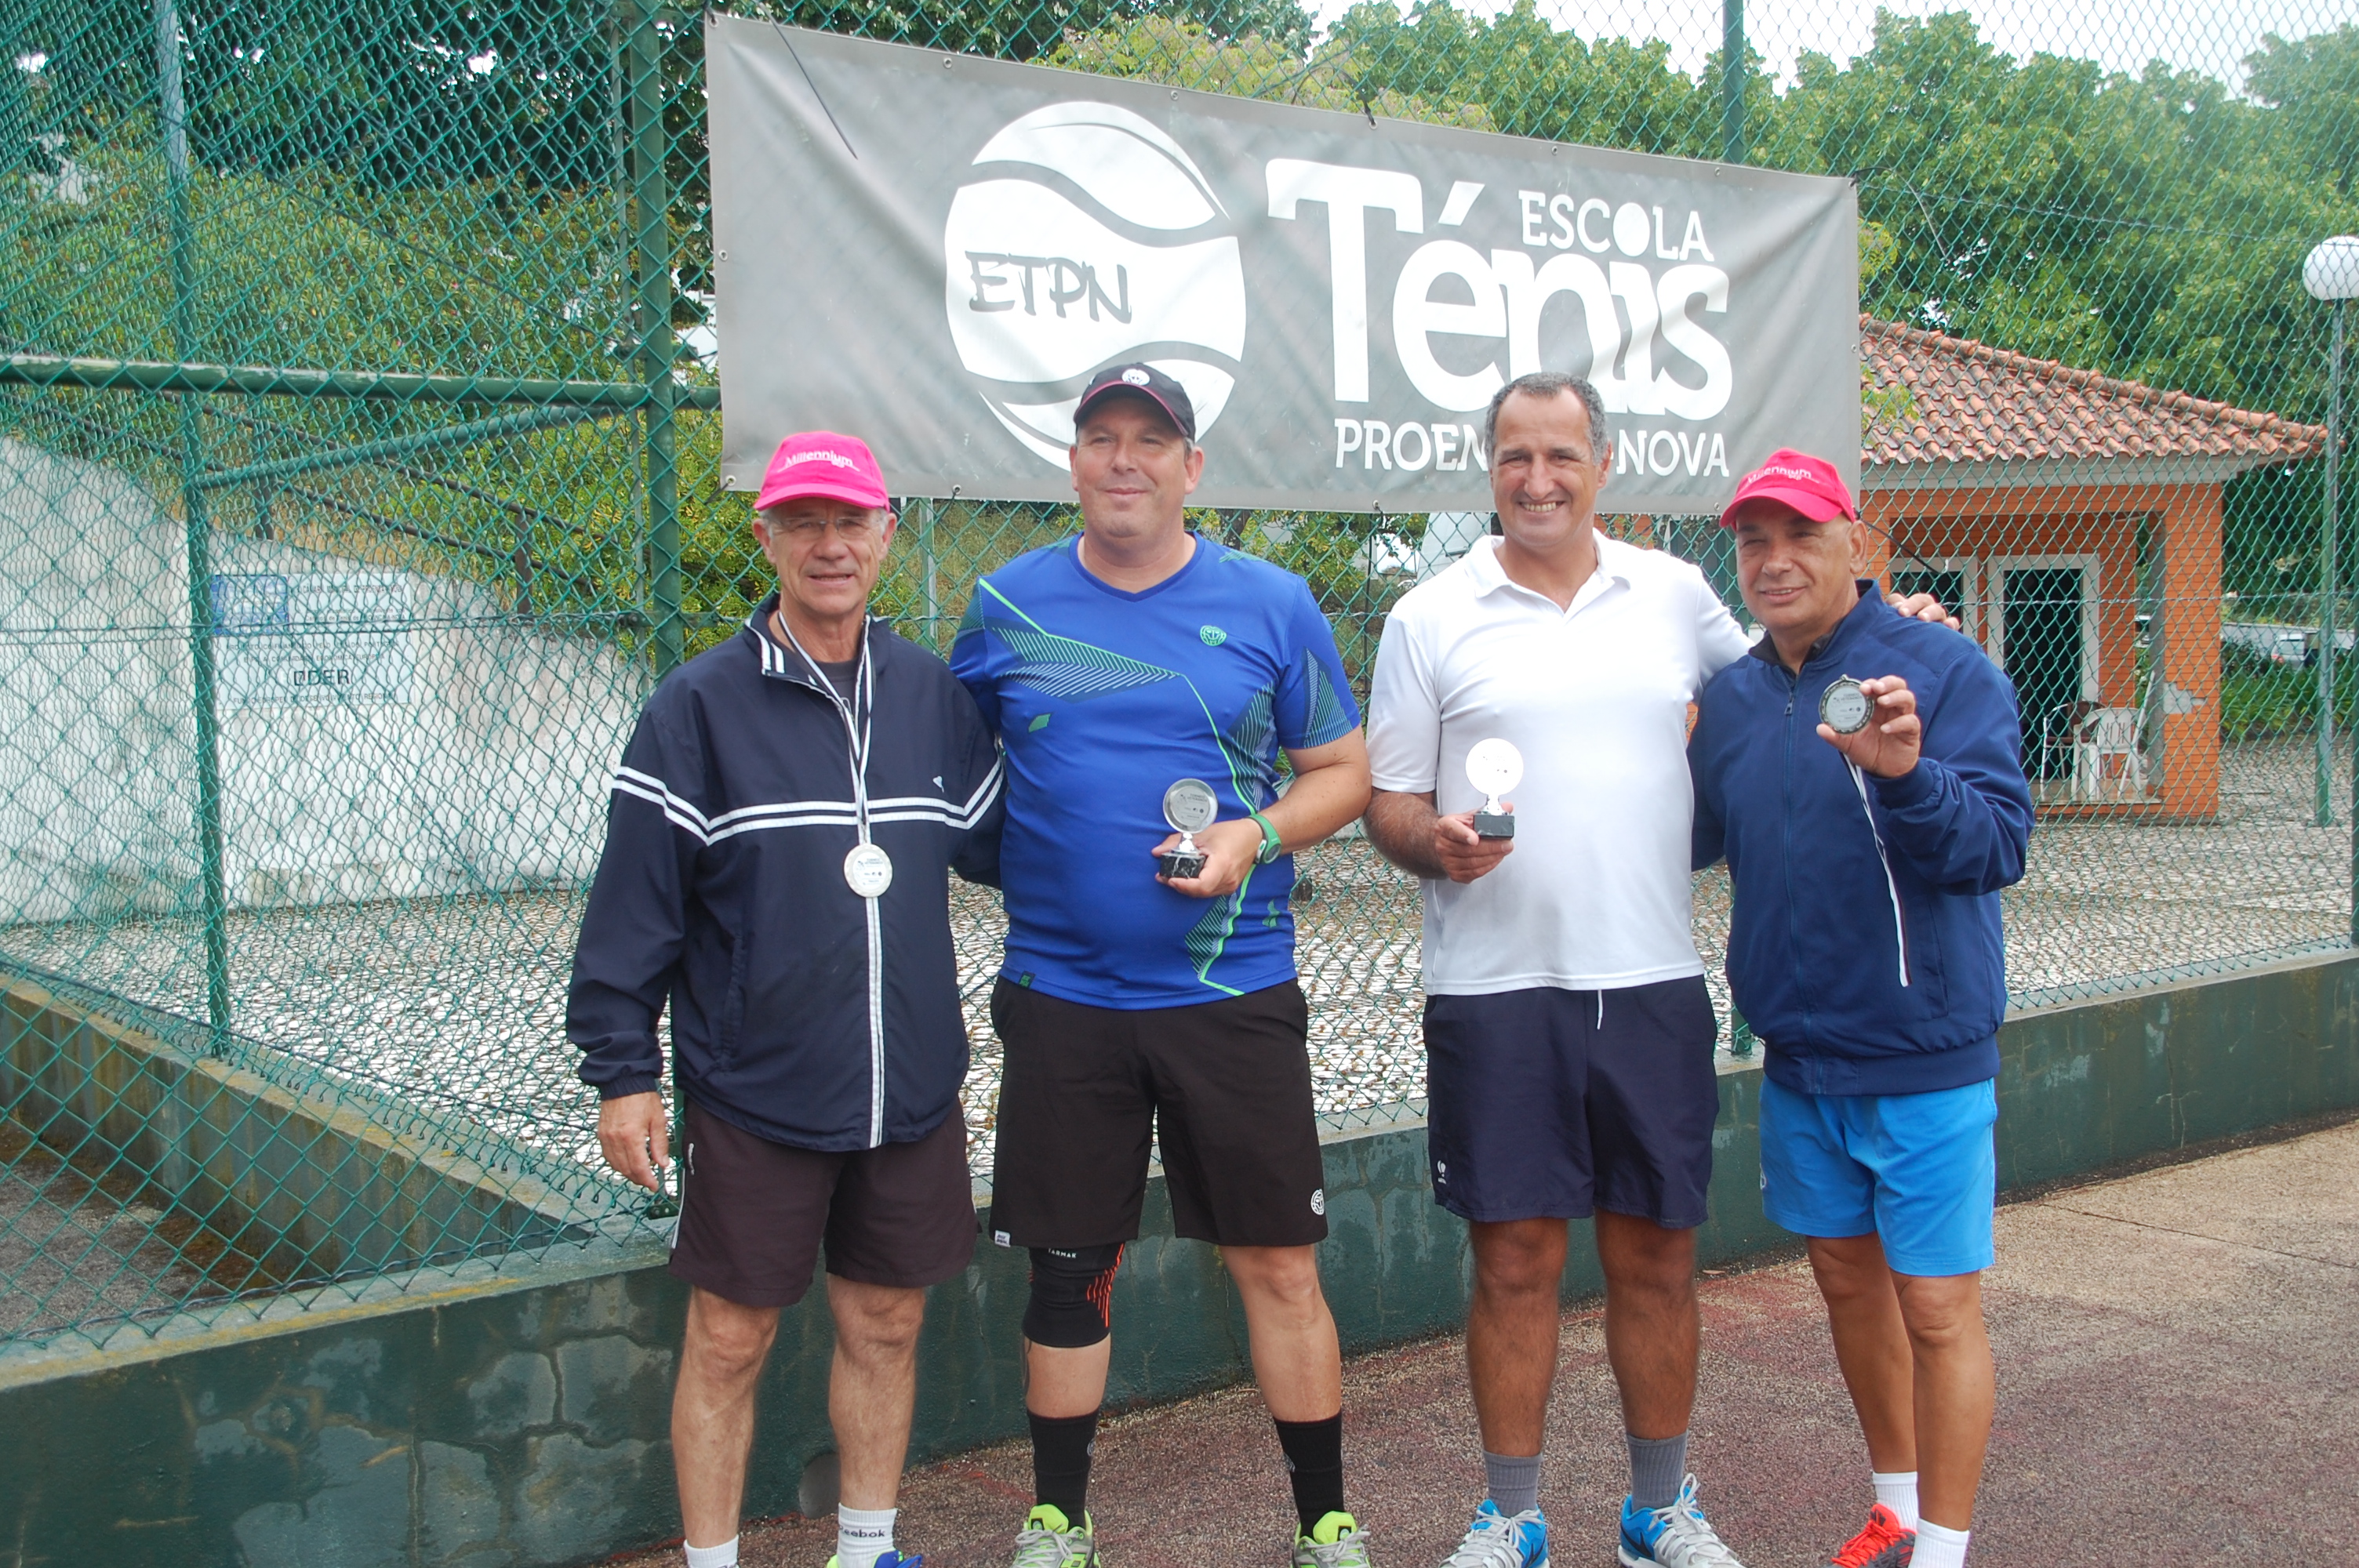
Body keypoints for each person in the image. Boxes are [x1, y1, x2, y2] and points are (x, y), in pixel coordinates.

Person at [1363, 375, 1956, 1568]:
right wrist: (1430, 841)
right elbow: (1387, 801)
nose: (1539, 479)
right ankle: (1513, 1519)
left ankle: (1657, 1512)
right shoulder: (1428, 615)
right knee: (1515, 1261)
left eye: (1562, 455)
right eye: (1515, 457)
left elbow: (1793, 673)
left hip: (1650, 983)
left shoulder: (1676, 594)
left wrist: (1903, 629)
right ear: (1489, 469)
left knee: (1656, 1257)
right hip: (1491, 988)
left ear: (1604, 463)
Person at [950, 364, 1377, 1568]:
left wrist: (1258, 834)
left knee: (1278, 1265)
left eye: (1152, 441)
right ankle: (1058, 1518)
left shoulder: (1273, 603)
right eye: (1101, 439)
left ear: (1193, 468)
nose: (1124, 460)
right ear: (1074, 461)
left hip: (1231, 994)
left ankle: (1325, 1520)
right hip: (1062, 997)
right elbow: (954, 761)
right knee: (1070, 1266)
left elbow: (1340, 771)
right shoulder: (1005, 603)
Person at [569, 432, 1004, 1568]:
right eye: (803, 521)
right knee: (728, 1338)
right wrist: (624, 1070)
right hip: (755, 1088)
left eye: (850, 521)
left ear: (886, 535)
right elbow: (634, 910)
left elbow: (1011, 846)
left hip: (909, 1087)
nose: (829, 544)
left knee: (887, 1319)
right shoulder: (696, 708)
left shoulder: (931, 697)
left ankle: (867, 1547)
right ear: (763, 536)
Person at [1688, 451, 2030, 1568]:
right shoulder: (1736, 696)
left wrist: (1906, 775)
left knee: (1935, 1308)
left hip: (1925, 1056)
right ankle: (1896, 1502)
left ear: (1856, 543)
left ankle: (1946, 1549)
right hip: (1800, 1060)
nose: (1775, 560)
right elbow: (1690, 838)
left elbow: (1997, 847)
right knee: (1846, 1285)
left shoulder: (1940, 668)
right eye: (1754, 539)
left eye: (1801, 534)